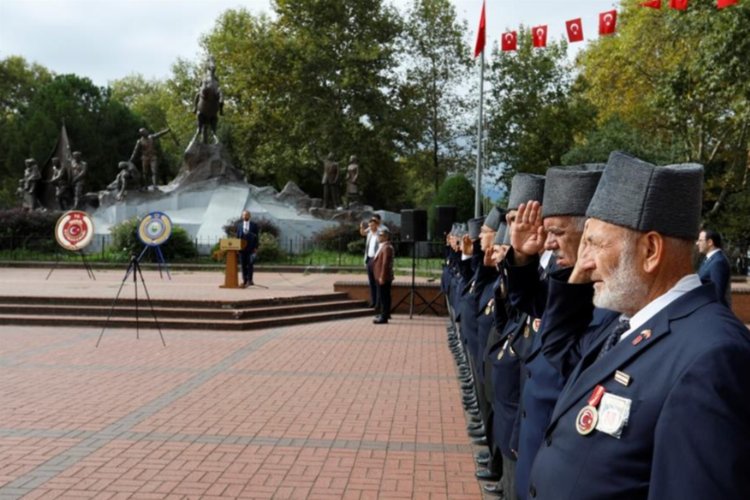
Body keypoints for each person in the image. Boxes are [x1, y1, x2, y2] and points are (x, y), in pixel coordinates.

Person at [527, 151, 750, 500]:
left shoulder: (713, 355)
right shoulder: (626, 324)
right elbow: (561, 350)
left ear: (650, 250)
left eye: (596, 244)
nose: (585, 263)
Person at [696, 228, 732, 307]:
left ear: (710, 242)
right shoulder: (709, 260)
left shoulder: (718, 262)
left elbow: (717, 294)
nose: (697, 243)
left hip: (714, 311)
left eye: (700, 240)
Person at [371, 227, 394, 324]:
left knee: (384, 296)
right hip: (379, 275)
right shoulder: (382, 246)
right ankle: (384, 313)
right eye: (379, 235)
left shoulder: (387, 247)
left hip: (383, 276)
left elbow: (385, 264)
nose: (379, 237)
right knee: (383, 296)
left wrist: (382, 276)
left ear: (386, 237)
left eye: (381, 235)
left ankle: (384, 316)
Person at [236, 210, 259, 287]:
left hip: (251, 248)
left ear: (249, 216)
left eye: (247, 215)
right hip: (242, 249)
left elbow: (257, 237)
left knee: (250, 264)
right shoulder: (239, 225)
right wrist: (236, 247)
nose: (245, 216)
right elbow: (237, 237)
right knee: (243, 265)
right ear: (242, 216)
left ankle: (250, 280)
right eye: (244, 215)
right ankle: (244, 280)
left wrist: (256, 247)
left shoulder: (254, 225)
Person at [363, 215, 382, 308]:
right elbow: (363, 233)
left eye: (373, 226)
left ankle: (378, 303)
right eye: (370, 226)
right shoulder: (370, 234)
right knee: (371, 282)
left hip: (376, 260)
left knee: (377, 282)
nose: (371, 228)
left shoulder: (380, 234)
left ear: (376, 225)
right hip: (369, 259)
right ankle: (373, 301)